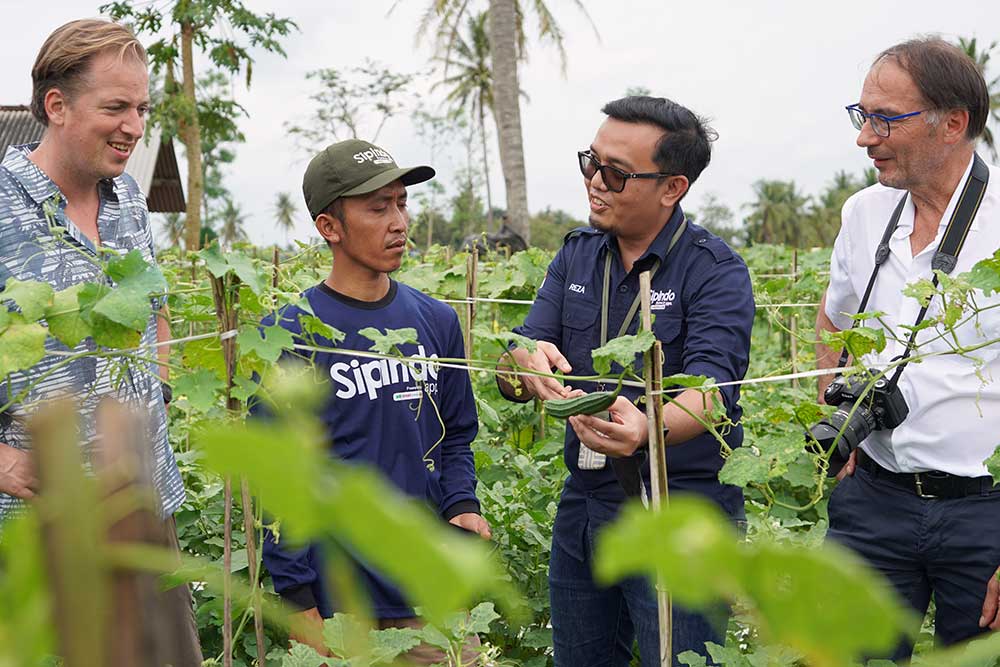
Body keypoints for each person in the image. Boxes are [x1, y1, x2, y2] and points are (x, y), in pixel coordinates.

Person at [498, 96, 755, 666]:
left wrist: (651, 428)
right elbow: (517, 352)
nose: (596, 181)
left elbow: (713, 393)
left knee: (681, 657)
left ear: (672, 187)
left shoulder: (715, 271)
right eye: (590, 162)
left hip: (681, 509)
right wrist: (524, 365)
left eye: (616, 173)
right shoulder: (577, 256)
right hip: (585, 503)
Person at [0, 18, 201, 664]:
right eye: (115, 106)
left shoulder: (131, 200)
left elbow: (157, 303)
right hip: (39, 533)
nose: (135, 125)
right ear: (56, 106)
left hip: (148, 510)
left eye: (141, 107)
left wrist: (161, 387)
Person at [260, 139, 490, 662]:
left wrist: (461, 505)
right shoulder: (289, 337)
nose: (398, 222)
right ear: (329, 227)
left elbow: (456, 436)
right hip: (346, 611)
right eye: (377, 207)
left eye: (402, 202)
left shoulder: (436, 320)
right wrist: (298, 604)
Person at [816, 37, 1000, 659]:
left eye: (885, 119)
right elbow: (834, 320)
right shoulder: (865, 213)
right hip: (873, 498)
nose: (865, 137)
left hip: (987, 516)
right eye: (861, 115)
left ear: (954, 124)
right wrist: (834, 418)